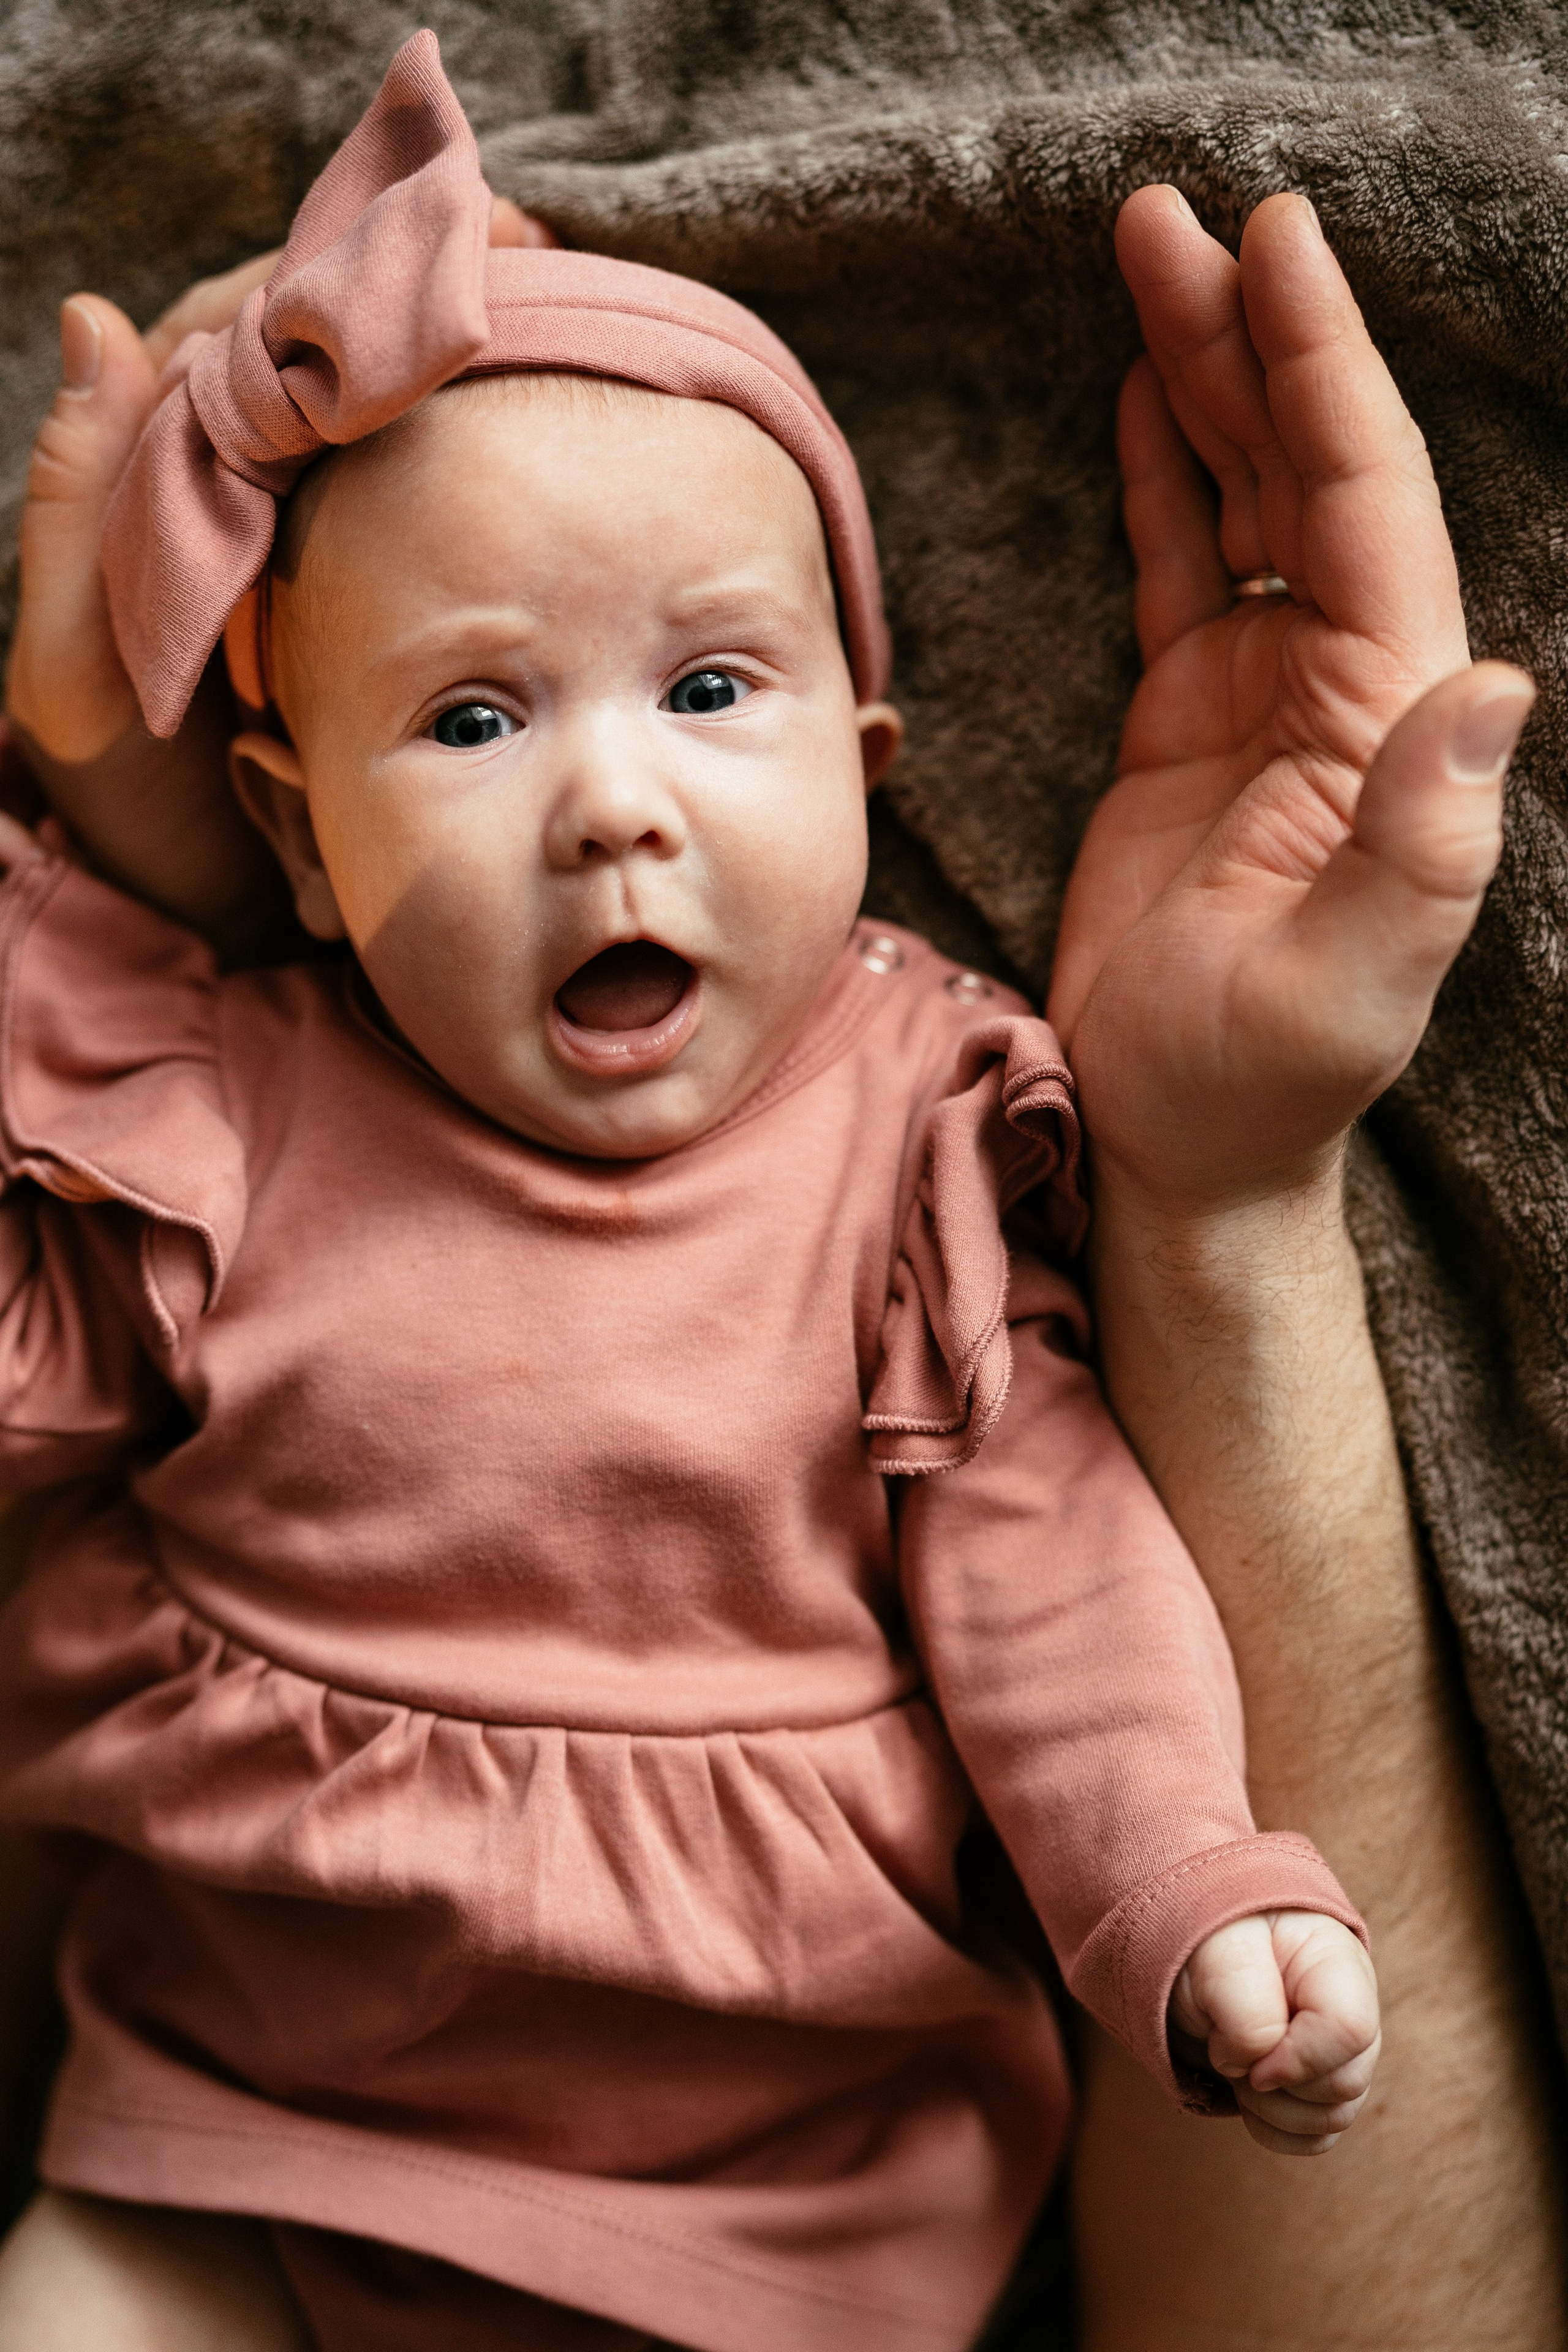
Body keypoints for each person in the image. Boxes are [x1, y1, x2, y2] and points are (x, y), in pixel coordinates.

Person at [0, 37, 1561, 2352]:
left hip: (768, 2223)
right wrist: (85, 810)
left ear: (866, 768)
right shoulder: (233, 1096)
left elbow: (1048, 1571)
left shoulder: (914, 1142)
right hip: (225, 2143)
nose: (612, 806)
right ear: (301, 843)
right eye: (472, 719)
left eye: (712, 687)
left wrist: (1193, 1888)